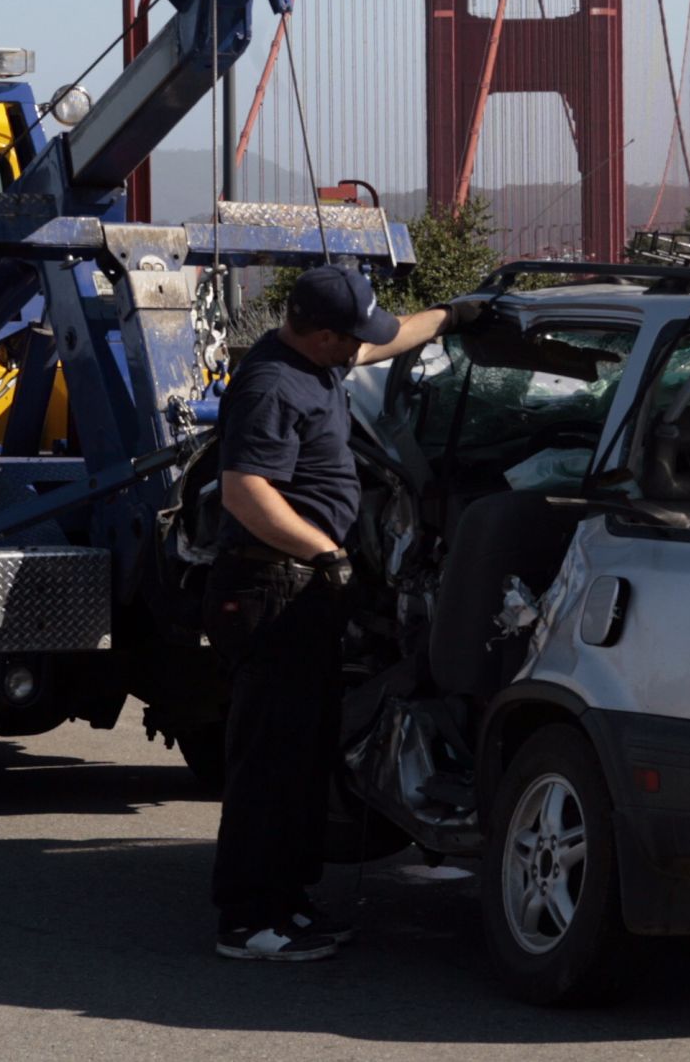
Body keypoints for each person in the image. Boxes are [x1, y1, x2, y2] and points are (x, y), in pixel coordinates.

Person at [206, 263, 484, 963]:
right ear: (320, 332)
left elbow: (381, 346)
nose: (360, 345)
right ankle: (247, 921)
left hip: (300, 591)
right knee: (268, 762)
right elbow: (245, 492)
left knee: (302, 756)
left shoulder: (319, 360)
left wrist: (453, 316)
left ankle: (287, 904)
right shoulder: (272, 386)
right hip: (272, 587)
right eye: (349, 335)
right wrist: (325, 552)